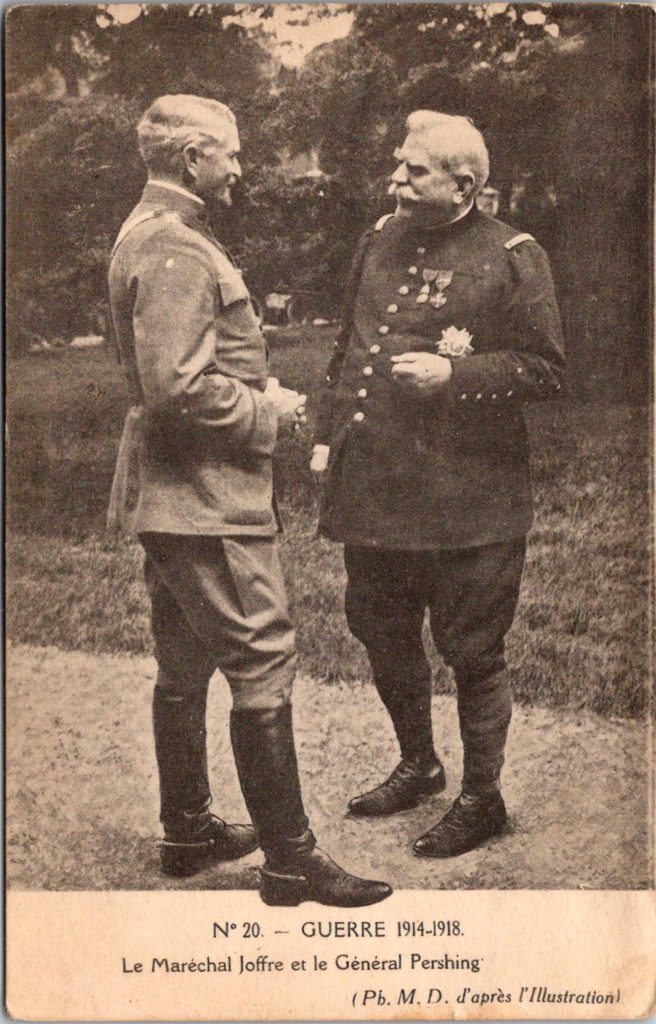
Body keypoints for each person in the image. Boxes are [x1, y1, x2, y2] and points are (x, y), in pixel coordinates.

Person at [108, 94, 391, 907]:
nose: (239, 167)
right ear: (194, 156)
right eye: (231, 153)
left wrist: (243, 386)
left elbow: (175, 376)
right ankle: (291, 861)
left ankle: (189, 829)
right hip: (206, 498)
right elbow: (178, 389)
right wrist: (270, 408)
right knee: (263, 659)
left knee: (185, 660)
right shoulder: (178, 248)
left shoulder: (147, 231)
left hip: (169, 494)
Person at [311, 111, 565, 858]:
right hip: (379, 487)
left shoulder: (516, 255)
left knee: (473, 646)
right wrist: (329, 439)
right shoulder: (379, 240)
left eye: (411, 171)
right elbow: (346, 350)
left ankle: (482, 797)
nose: (394, 180)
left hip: (468, 496)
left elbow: (548, 369)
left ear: (465, 183)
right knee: (381, 628)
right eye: (397, 165)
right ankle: (419, 763)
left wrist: (457, 375)